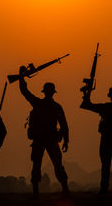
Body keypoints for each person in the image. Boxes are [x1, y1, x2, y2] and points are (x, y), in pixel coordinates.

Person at [18, 66, 70, 196]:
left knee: (40, 165)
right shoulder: (55, 106)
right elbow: (64, 125)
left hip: (42, 139)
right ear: (52, 92)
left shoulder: (38, 103)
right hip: (48, 139)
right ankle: (64, 190)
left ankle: (37, 191)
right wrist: (66, 141)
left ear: (45, 92)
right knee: (54, 165)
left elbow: (24, 91)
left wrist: (21, 77)